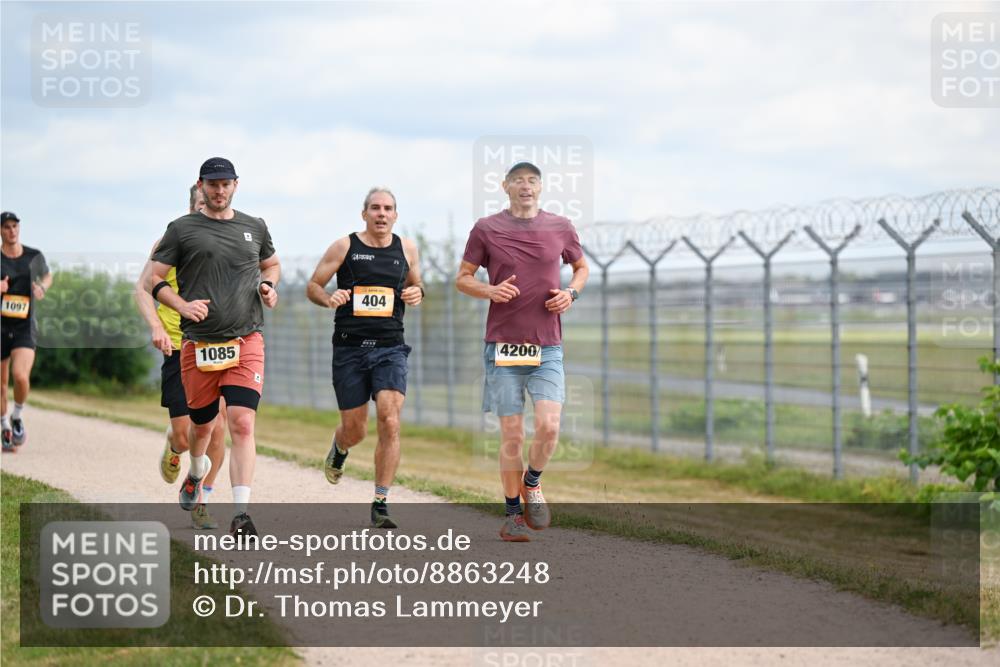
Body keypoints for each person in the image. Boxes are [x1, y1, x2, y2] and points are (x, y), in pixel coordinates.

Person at [456, 162, 589, 542]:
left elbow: (581, 268)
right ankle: (513, 516)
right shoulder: (486, 228)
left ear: (541, 188)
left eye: (532, 181)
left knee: (549, 427)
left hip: (547, 346)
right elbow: (462, 279)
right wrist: (490, 290)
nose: (525, 186)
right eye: (518, 181)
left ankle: (533, 482)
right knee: (512, 434)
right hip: (503, 347)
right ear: (505, 186)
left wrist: (571, 294)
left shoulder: (560, 227)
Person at [150, 158, 280, 537]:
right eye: (212, 184)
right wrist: (181, 306)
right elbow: (155, 280)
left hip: (246, 339)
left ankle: (241, 512)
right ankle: (194, 473)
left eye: (225, 184)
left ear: (236, 185)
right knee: (202, 429)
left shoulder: (254, 227)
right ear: (201, 186)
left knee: (240, 423)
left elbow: (271, 264)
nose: (219, 191)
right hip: (198, 345)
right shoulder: (181, 230)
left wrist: (268, 286)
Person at [306, 187, 423, 529]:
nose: (381, 214)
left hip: (390, 347)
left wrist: (418, 292)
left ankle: (381, 502)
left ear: (395, 215)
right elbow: (313, 285)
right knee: (355, 429)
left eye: (388, 208)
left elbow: (416, 285)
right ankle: (340, 447)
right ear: (364, 214)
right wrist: (329, 297)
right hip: (350, 349)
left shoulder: (407, 248)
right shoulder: (345, 247)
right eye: (375, 208)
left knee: (390, 418)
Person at [134, 185, 227, 529]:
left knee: (217, 428)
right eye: (203, 204)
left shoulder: (229, 237)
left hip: (218, 346)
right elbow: (142, 290)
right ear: (192, 208)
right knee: (184, 434)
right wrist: (156, 326)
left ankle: (203, 496)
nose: (209, 210)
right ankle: (175, 450)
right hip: (178, 346)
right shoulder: (169, 242)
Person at [1, 211, 52, 452]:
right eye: (7, 227)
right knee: (1, 383)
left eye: (15, 226)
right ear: (0, 231)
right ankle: (5, 428)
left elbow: (47, 275)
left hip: (24, 326)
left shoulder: (33, 256)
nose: (12, 231)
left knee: (20, 376)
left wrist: (41, 286)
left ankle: (17, 415)